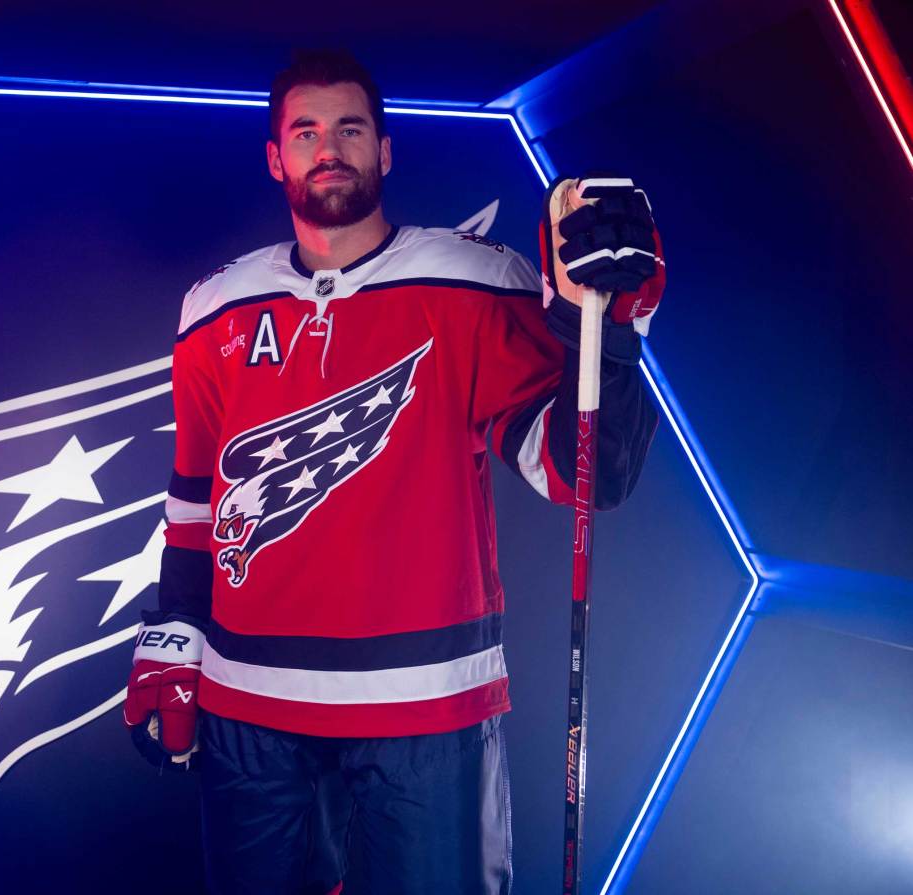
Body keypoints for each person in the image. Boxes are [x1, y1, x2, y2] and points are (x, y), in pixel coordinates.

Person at [124, 48, 664, 895]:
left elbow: (584, 475)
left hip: (425, 708)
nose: (327, 147)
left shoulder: (475, 282)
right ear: (277, 157)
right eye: (305, 132)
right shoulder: (211, 310)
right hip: (249, 708)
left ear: (386, 149)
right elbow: (196, 496)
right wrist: (175, 633)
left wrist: (611, 337)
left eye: (350, 128)